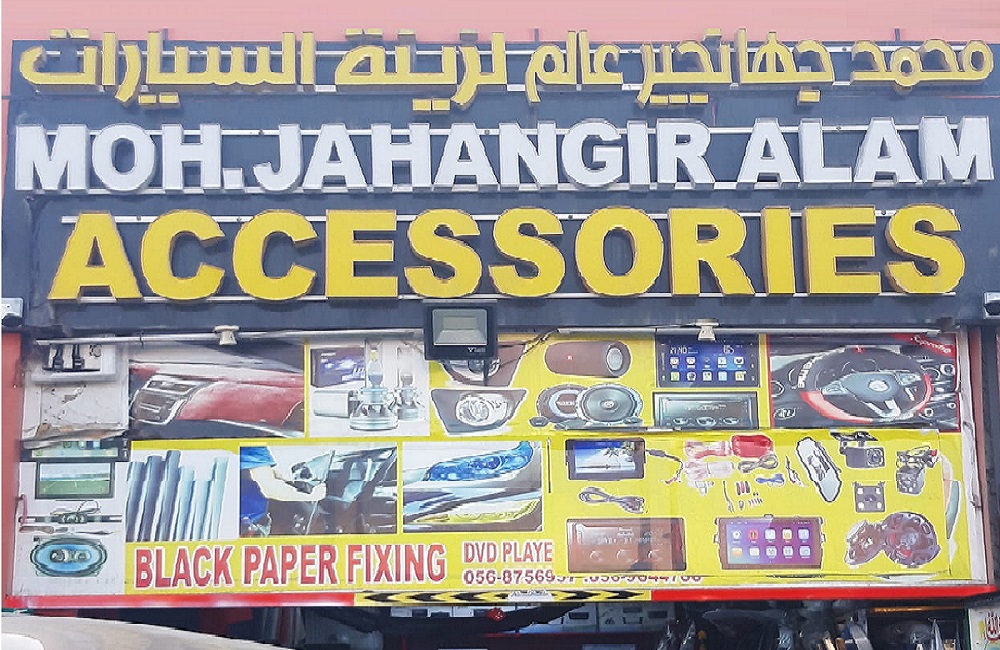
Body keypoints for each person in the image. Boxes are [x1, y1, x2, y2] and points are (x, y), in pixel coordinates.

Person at [240, 446, 326, 536]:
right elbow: (269, 489)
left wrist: (273, 476)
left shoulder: (254, 451)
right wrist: (311, 497)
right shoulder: (253, 448)